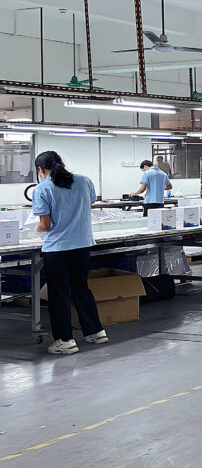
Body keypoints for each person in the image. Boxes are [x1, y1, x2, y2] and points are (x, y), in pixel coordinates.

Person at [31, 151, 107, 355]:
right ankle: (96, 331)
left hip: (57, 248)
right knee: (81, 288)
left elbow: (45, 224)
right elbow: (86, 206)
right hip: (82, 245)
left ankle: (65, 340)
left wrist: (35, 230)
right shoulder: (84, 181)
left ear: (41, 170)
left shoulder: (42, 188)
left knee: (59, 294)